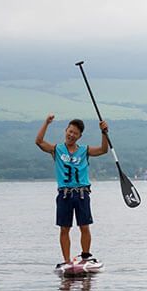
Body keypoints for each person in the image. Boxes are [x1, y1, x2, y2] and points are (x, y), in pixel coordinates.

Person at [35, 113, 109, 269]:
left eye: (75, 133)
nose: (71, 135)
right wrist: (46, 123)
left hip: (81, 193)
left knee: (84, 226)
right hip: (64, 194)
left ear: (79, 136)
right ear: (66, 131)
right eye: (70, 131)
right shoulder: (57, 150)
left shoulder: (84, 151)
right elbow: (39, 142)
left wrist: (104, 132)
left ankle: (86, 256)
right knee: (64, 228)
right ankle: (67, 260)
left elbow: (103, 150)